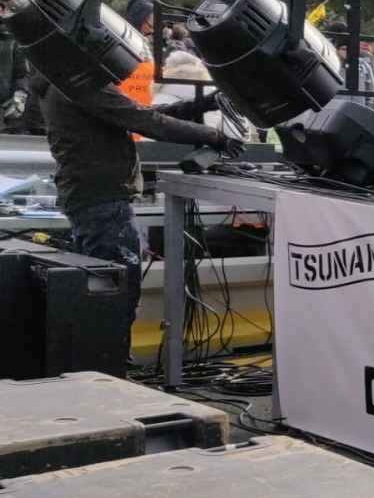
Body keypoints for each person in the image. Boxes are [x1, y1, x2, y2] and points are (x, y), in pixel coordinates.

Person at [40, 71, 242, 322]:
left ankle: (106, 354)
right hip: (103, 201)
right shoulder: (78, 84)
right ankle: (112, 356)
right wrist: (213, 136)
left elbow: (137, 113)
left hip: (91, 197)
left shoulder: (61, 83)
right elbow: (147, 121)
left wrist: (201, 104)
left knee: (105, 290)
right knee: (116, 294)